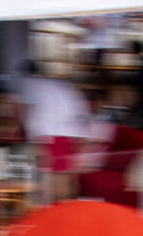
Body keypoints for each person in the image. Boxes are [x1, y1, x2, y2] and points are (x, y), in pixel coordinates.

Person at [17, 62, 96, 201]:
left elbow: (25, 111)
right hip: (73, 132)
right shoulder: (57, 85)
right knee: (67, 172)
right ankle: (69, 207)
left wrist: (32, 137)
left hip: (54, 133)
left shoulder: (30, 84)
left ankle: (59, 208)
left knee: (55, 174)